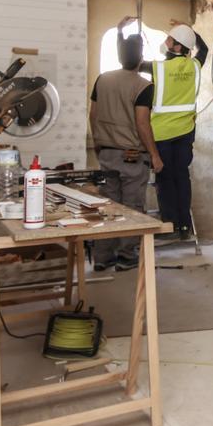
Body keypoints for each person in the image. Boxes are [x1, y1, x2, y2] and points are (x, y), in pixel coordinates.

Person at [117, 16, 207, 240]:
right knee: (182, 178)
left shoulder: (158, 68)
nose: (166, 41)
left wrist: (121, 33)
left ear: (177, 46)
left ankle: (170, 226)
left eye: (170, 39)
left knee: (165, 180)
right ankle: (185, 226)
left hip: (162, 134)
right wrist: (188, 28)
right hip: (185, 133)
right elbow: (203, 47)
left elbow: (128, 62)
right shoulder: (195, 65)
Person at [88, 34, 162, 271]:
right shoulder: (143, 85)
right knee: (131, 207)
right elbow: (142, 123)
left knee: (108, 205)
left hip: (107, 154)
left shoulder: (103, 79)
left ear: (120, 57)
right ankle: (126, 256)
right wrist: (154, 154)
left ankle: (102, 258)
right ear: (140, 59)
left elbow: (93, 114)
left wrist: (99, 141)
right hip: (131, 157)